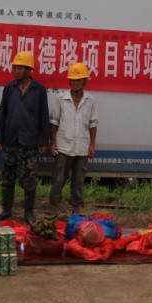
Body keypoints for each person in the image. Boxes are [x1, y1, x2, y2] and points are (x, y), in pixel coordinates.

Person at [0, 51, 50, 224]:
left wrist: (44, 140)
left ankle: (29, 213)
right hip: (10, 141)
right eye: (15, 67)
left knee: (30, 180)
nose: (16, 71)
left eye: (20, 68)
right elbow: (2, 112)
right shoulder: (9, 88)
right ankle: (6, 211)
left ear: (29, 70)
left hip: (29, 143)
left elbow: (43, 116)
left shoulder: (39, 90)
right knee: (7, 179)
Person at [48, 62, 98, 218]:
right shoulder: (60, 99)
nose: (75, 83)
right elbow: (54, 122)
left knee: (78, 180)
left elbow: (93, 123)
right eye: (73, 80)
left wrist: (92, 144)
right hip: (63, 145)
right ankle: (54, 208)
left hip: (82, 146)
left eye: (79, 80)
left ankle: (76, 209)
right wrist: (53, 143)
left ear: (85, 81)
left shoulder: (90, 101)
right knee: (59, 179)